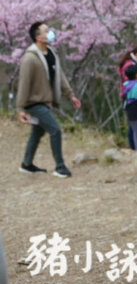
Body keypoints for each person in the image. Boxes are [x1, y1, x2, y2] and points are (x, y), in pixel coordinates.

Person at [16, 22, 82, 178]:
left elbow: (59, 75)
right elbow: (23, 83)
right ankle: (60, 166)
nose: (50, 33)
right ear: (38, 37)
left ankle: (26, 164)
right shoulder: (30, 58)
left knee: (37, 133)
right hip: (34, 103)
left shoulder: (51, 53)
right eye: (46, 31)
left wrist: (70, 94)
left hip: (46, 101)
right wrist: (20, 109)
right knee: (55, 130)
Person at [117, 45, 137, 148]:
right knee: (134, 123)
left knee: (133, 123)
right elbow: (130, 80)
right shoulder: (129, 65)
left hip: (127, 94)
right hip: (131, 96)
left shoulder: (127, 62)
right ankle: (134, 147)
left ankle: (134, 146)